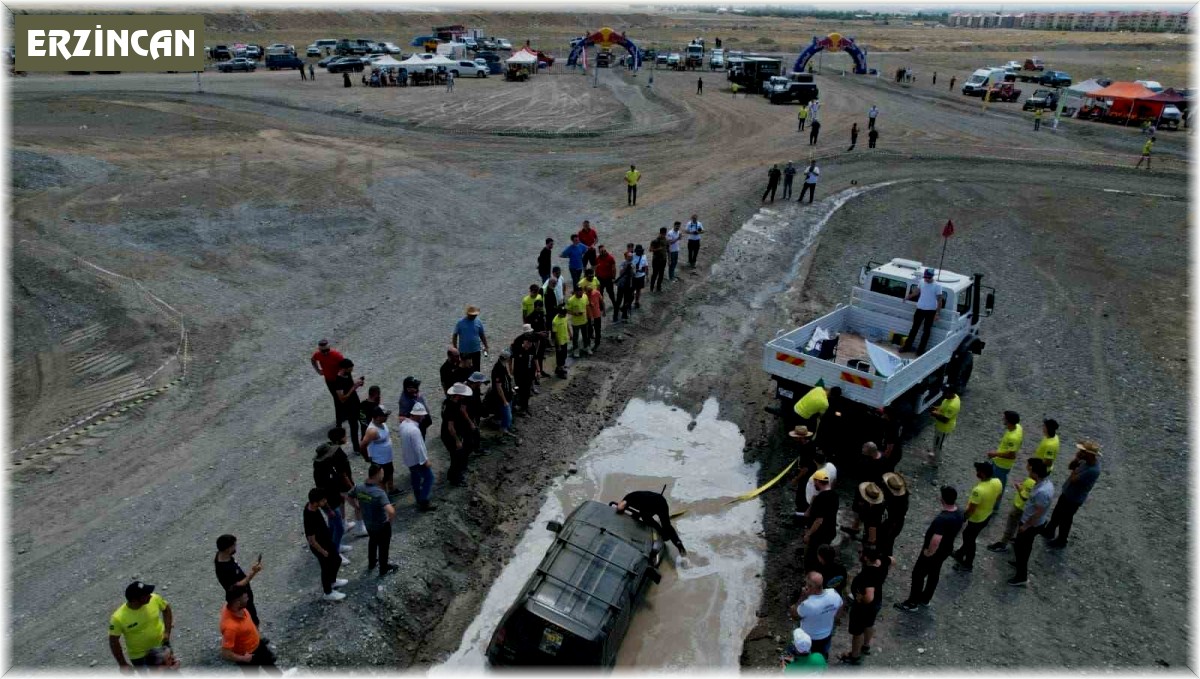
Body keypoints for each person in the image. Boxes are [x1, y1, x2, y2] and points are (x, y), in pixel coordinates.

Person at [894, 486, 964, 611]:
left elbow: (936, 539)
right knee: (934, 573)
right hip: (946, 549)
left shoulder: (942, 519)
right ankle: (925, 598)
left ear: (942, 499)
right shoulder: (959, 512)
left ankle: (912, 602)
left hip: (934, 552)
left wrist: (928, 552)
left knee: (918, 574)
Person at [840, 545, 894, 665]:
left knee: (857, 631)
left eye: (861, 553)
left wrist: (861, 599)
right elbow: (893, 560)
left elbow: (869, 597)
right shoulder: (882, 561)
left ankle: (854, 656)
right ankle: (866, 645)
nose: (859, 555)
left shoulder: (868, 575)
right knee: (869, 624)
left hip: (864, 608)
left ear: (867, 558)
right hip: (877, 602)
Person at [1044, 440, 1102, 548]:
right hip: (1067, 492)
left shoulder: (1093, 470)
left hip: (1074, 498)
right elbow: (1071, 467)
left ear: (1089, 454)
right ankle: (1049, 531)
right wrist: (1076, 459)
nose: (1080, 452)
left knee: (1066, 519)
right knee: (1057, 513)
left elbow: (1074, 479)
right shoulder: (1085, 461)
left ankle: (1061, 540)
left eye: (1082, 451)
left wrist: (1075, 470)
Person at [109, 581, 173, 669]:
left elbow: (166, 608)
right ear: (135, 600)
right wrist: (122, 664)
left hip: (162, 646)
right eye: (146, 595)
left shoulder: (154, 599)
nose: (150, 595)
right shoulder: (118, 618)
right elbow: (113, 641)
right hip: (141, 657)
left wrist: (167, 632)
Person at [314, 427, 357, 559]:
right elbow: (323, 491)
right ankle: (335, 552)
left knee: (334, 527)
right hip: (330, 503)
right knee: (337, 528)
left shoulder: (327, 466)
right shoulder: (321, 472)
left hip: (334, 500)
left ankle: (336, 546)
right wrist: (328, 508)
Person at [951, 462, 1002, 572]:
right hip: (987, 515)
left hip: (976, 519)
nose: (976, 472)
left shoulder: (978, 490)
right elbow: (998, 496)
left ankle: (968, 563)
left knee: (969, 539)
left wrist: (964, 517)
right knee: (970, 536)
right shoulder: (997, 482)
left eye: (978, 471)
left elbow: (972, 509)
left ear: (982, 474)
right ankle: (960, 553)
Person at [1010, 458, 1053, 586]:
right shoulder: (1045, 484)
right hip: (1033, 522)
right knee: (1023, 546)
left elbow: (1038, 511)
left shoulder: (1041, 492)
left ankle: (1021, 577)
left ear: (1035, 473)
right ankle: (1018, 564)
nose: (1028, 471)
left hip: (1031, 524)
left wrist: (1027, 525)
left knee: (1022, 548)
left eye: (1029, 469)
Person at [353, 464, 400, 576]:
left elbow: (350, 496)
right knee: (383, 547)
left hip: (368, 523)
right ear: (377, 474)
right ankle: (383, 569)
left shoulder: (359, 487)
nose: (383, 475)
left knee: (373, 541)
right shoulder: (379, 493)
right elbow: (391, 511)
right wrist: (390, 520)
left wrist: (356, 506)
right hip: (381, 524)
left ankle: (372, 563)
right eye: (382, 473)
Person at [986, 459, 1039, 554]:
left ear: (1031, 467)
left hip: (1019, 507)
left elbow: (1024, 497)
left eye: (1027, 464)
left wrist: (1019, 488)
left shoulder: (1031, 481)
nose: (1026, 466)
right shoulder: (1036, 482)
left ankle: (1003, 544)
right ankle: (1014, 540)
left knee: (1010, 526)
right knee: (1016, 526)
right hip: (1024, 509)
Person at [219, 586, 278, 671]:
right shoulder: (230, 628)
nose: (248, 598)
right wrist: (243, 659)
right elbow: (225, 653)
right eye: (245, 598)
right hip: (248, 655)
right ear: (237, 602)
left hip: (258, 645)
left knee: (271, 667)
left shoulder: (233, 606)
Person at [303, 488, 347, 601]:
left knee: (337, 560)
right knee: (326, 568)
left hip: (326, 541)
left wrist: (329, 511)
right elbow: (311, 540)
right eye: (322, 500)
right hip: (320, 546)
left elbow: (325, 506)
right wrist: (323, 552)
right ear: (315, 502)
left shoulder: (313, 505)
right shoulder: (309, 517)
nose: (325, 501)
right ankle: (328, 592)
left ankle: (333, 581)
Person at [613, 489, 687, 555]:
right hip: (661, 501)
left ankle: (660, 533)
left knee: (646, 518)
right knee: (667, 525)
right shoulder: (632, 497)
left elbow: (620, 508)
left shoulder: (628, 499)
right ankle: (678, 542)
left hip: (648, 506)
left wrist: (622, 510)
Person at [790, 571, 841, 660]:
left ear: (810, 587)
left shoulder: (807, 604)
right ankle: (822, 665)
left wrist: (802, 597)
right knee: (822, 654)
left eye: (806, 584)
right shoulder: (834, 594)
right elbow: (841, 604)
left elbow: (794, 615)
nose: (805, 586)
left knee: (809, 658)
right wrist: (835, 618)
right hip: (827, 634)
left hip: (809, 638)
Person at [214, 535, 263, 626]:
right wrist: (254, 572)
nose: (235, 547)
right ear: (228, 549)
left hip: (240, 594)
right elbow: (239, 585)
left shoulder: (222, 556)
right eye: (233, 546)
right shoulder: (225, 569)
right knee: (251, 616)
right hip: (239, 596)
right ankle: (255, 637)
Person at [399, 404, 437, 510]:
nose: (423, 417)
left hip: (409, 459)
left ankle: (418, 498)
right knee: (429, 478)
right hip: (417, 460)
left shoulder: (403, 424)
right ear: (417, 415)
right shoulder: (414, 430)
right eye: (422, 415)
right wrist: (425, 461)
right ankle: (423, 501)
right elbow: (418, 448)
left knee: (415, 478)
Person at [899, 269, 944, 354]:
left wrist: (937, 313)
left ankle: (920, 350)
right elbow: (916, 292)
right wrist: (907, 297)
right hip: (919, 309)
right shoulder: (921, 282)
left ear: (932, 277)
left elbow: (940, 300)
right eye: (925, 277)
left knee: (926, 331)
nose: (926, 279)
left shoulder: (937, 286)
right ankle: (906, 347)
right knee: (914, 329)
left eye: (928, 277)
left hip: (931, 311)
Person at [986, 410, 1023, 505]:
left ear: (1009, 421)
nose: (1003, 419)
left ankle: (994, 506)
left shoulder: (1013, 437)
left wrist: (995, 454)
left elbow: (1011, 455)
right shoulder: (1018, 427)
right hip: (1000, 463)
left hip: (1001, 465)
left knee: (997, 486)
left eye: (1004, 418)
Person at [803, 469, 838, 569]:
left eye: (815, 482)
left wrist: (808, 534)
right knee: (824, 554)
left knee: (813, 556)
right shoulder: (834, 495)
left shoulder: (821, 498)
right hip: (830, 531)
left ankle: (813, 573)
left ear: (818, 481)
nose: (814, 484)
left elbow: (819, 520)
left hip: (819, 534)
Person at [443, 383, 475, 485]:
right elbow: (450, 427)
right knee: (456, 457)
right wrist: (457, 440)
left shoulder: (447, 402)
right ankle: (454, 479)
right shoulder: (451, 407)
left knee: (458, 455)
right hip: (450, 435)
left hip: (449, 433)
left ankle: (455, 474)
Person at [332, 358, 365, 455]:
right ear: (344, 368)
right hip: (349, 408)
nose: (352, 370)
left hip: (356, 403)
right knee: (354, 427)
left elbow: (351, 385)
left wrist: (358, 383)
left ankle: (364, 443)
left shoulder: (347, 374)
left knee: (364, 423)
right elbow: (342, 398)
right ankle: (356, 448)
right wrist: (354, 387)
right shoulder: (338, 381)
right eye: (350, 368)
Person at [360, 406, 396, 493]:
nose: (387, 417)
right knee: (381, 480)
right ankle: (385, 499)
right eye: (385, 415)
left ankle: (391, 489)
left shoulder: (382, 423)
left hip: (387, 457)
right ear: (378, 417)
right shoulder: (372, 431)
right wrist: (366, 458)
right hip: (379, 460)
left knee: (390, 472)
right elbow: (362, 446)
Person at [310, 339, 346, 422]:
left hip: (338, 380)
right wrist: (318, 370)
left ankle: (343, 416)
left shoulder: (336, 355)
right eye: (323, 351)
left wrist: (340, 375)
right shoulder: (317, 355)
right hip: (329, 380)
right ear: (319, 350)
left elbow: (345, 365)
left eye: (327, 350)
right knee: (336, 398)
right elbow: (313, 360)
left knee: (340, 397)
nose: (325, 352)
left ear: (329, 347)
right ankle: (343, 416)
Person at [879, 472, 908, 558]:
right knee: (888, 543)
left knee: (886, 543)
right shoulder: (903, 496)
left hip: (891, 525)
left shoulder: (897, 503)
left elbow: (894, 520)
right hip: (894, 523)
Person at [928, 386, 960, 465]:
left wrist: (934, 414)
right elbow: (943, 407)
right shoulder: (953, 397)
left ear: (951, 393)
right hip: (939, 427)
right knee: (936, 442)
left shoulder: (952, 405)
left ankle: (936, 462)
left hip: (943, 429)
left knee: (939, 446)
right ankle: (934, 455)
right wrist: (937, 408)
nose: (943, 394)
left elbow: (945, 420)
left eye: (946, 393)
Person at [452, 305, 489, 372]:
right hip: (464, 351)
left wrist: (486, 346)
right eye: (472, 315)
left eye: (475, 315)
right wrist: (455, 348)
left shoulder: (478, 321)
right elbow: (455, 335)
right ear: (467, 314)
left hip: (476, 350)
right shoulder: (460, 323)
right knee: (464, 369)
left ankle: (477, 382)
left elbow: (482, 334)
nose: (474, 316)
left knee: (477, 369)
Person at [565, 286, 591, 358]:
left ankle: (586, 347)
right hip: (575, 323)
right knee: (575, 337)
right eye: (579, 292)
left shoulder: (585, 296)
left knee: (586, 335)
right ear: (575, 292)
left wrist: (589, 316)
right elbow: (567, 310)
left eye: (582, 291)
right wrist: (574, 313)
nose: (581, 293)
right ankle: (576, 350)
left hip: (584, 320)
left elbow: (587, 306)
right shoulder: (571, 300)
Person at [613, 251, 634, 323]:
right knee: (618, 301)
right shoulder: (623, 263)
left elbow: (633, 274)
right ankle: (615, 316)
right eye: (629, 257)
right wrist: (626, 266)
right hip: (622, 285)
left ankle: (624, 315)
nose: (630, 258)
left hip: (628, 285)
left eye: (631, 257)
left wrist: (632, 268)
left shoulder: (633, 264)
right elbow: (621, 272)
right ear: (626, 257)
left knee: (627, 300)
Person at [649, 227, 668, 291]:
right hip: (656, 260)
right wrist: (658, 249)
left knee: (661, 274)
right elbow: (650, 250)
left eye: (664, 234)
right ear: (661, 233)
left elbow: (666, 248)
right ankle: (651, 287)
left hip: (663, 259)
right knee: (655, 274)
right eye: (663, 234)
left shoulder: (665, 239)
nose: (664, 235)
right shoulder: (655, 241)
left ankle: (658, 287)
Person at [587, 283, 605, 352]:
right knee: (589, 331)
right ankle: (588, 345)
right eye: (588, 291)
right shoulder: (585, 295)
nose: (589, 292)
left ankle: (597, 343)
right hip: (589, 316)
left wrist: (604, 311)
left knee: (598, 330)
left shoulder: (597, 293)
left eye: (590, 290)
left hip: (597, 315)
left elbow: (602, 301)